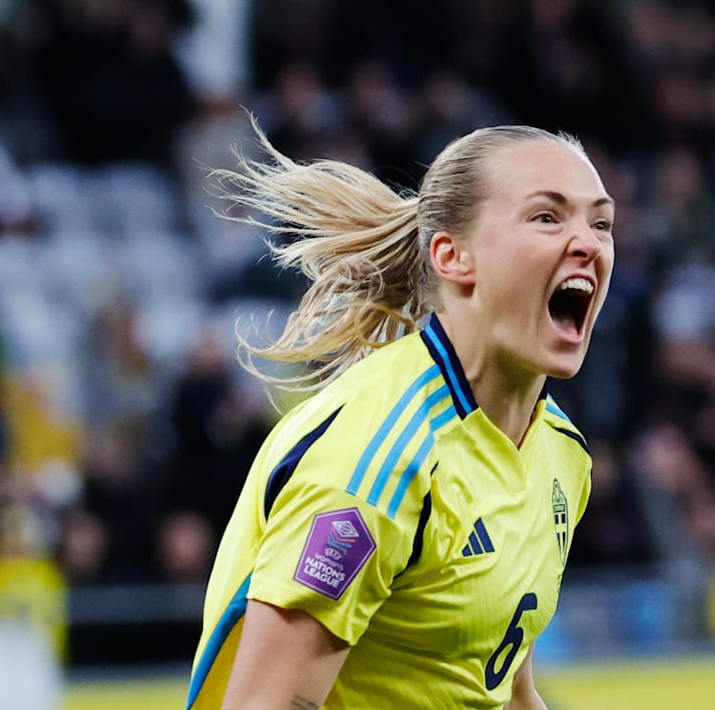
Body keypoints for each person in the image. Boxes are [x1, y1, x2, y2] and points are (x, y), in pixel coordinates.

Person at [186, 121, 614, 710]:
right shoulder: (378, 456)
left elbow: (500, 684)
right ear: (453, 257)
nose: (589, 243)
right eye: (547, 217)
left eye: (601, 223)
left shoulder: (560, 453)